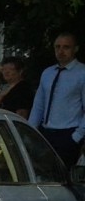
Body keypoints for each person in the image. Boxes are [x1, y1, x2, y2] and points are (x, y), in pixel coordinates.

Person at [28, 32, 85, 168]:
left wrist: (77, 136)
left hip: (68, 133)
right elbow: (39, 105)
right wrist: (31, 130)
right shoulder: (48, 73)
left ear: (75, 49)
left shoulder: (82, 73)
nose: (61, 51)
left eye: (66, 47)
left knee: (63, 177)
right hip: (45, 132)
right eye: (57, 47)